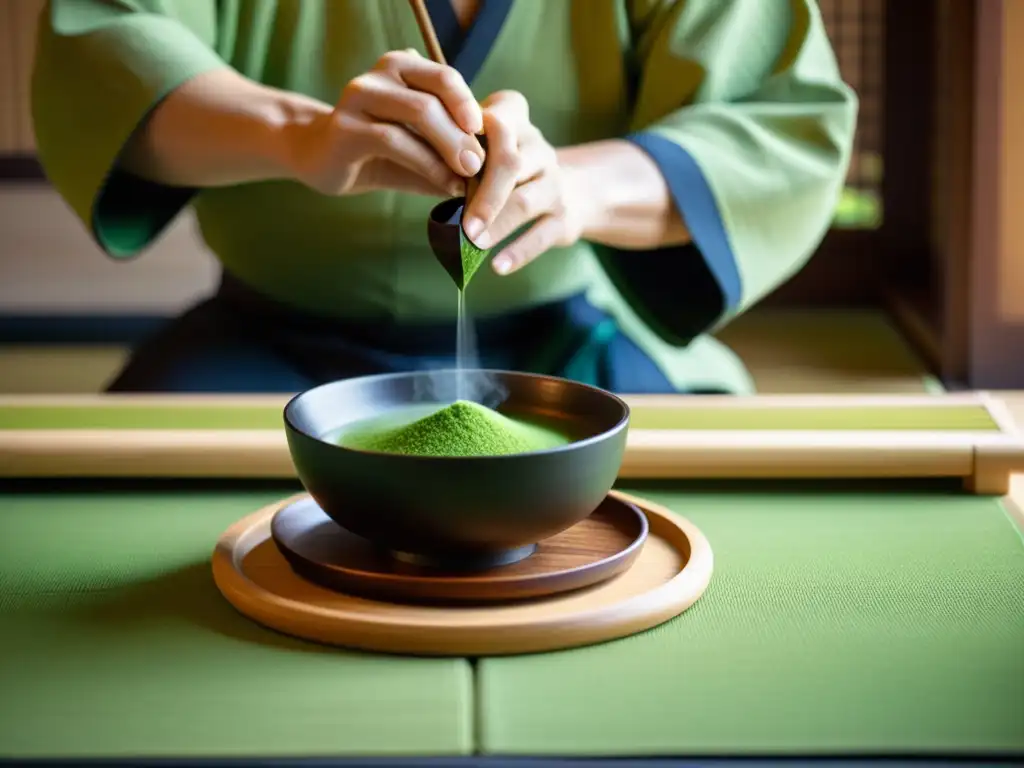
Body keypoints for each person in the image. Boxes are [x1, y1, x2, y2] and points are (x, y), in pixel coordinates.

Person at [31, 0, 857, 394]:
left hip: (562, 344)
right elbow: (105, 47)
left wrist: (569, 185)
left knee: (687, 501)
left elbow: (775, 121)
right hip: (266, 344)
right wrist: (302, 134)